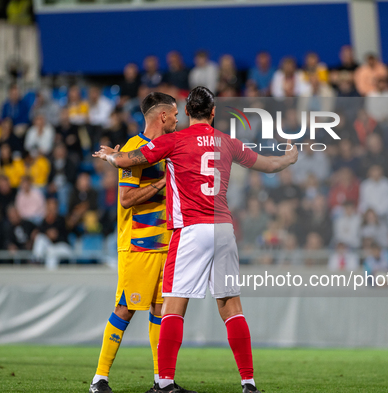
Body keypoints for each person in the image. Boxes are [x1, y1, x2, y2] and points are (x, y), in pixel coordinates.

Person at [93, 86, 298, 393]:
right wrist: (289, 158)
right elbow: (268, 166)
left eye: (180, 112)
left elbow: (128, 161)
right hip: (221, 229)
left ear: (188, 112)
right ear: (213, 112)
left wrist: (112, 157)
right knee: (231, 306)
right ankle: (249, 382)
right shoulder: (227, 142)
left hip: (189, 230)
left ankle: (163, 381)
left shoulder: (173, 141)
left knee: (172, 307)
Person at [89, 92, 177, 393]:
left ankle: (161, 380)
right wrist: (164, 182)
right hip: (138, 243)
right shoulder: (134, 149)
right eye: (175, 114)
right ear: (162, 116)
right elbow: (126, 199)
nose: (178, 119)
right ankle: (99, 378)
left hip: (164, 242)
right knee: (126, 308)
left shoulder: (165, 148)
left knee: (160, 310)